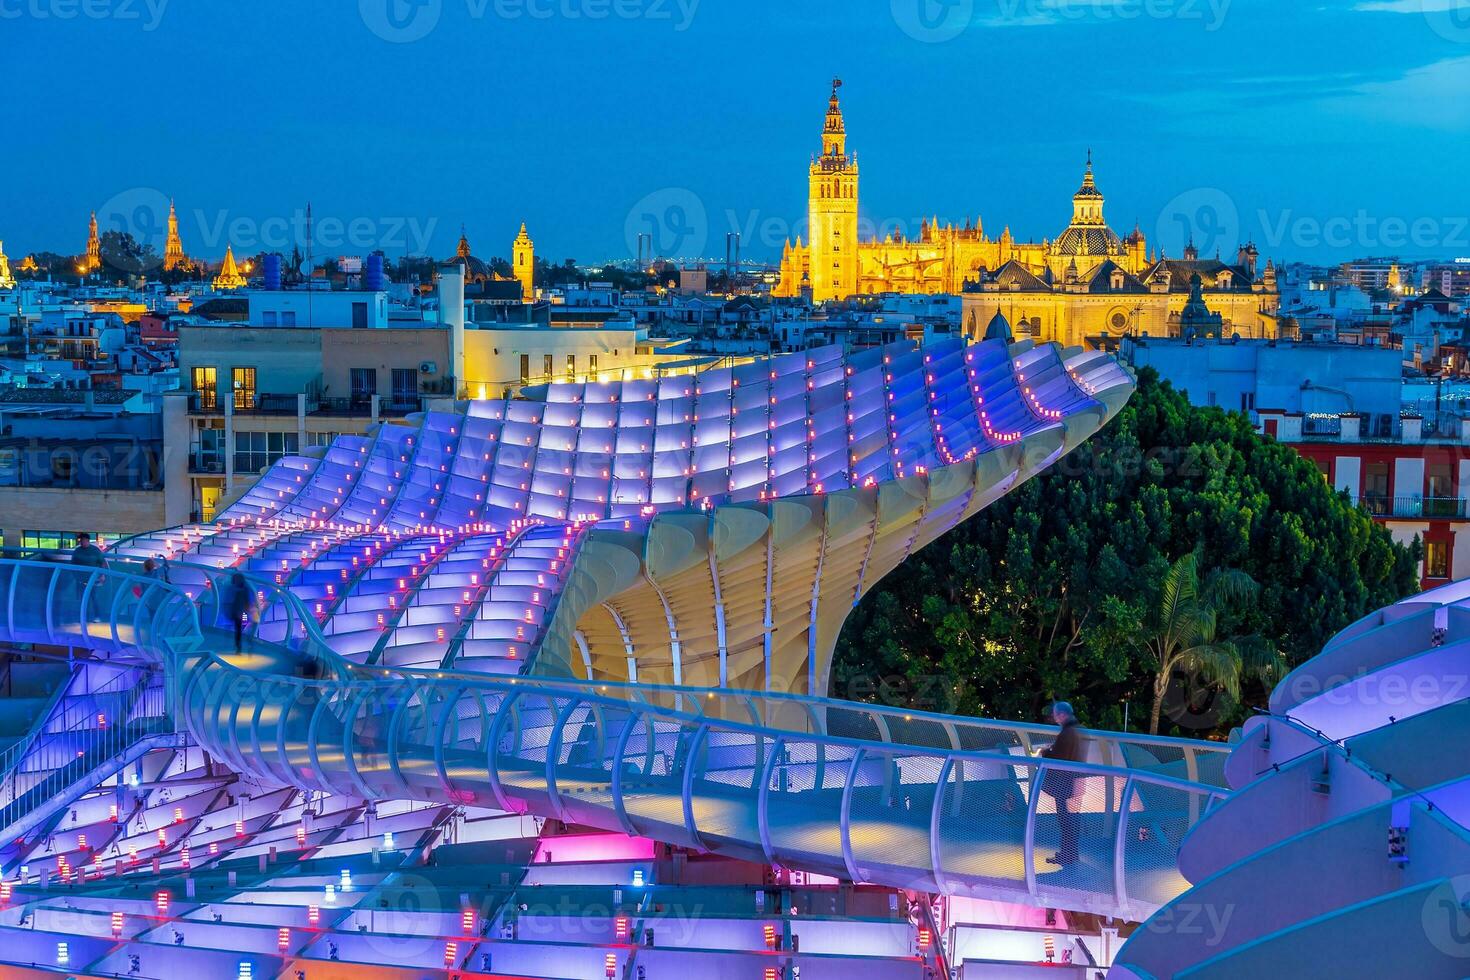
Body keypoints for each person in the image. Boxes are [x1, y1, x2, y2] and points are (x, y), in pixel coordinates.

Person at [1039, 700, 1087, 867]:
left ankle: (1066, 856)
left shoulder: (1066, 733)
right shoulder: (1080, 731)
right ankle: (1072, 854)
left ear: (1062, 715)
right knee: (1073, 821)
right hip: (1077, 783)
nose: (1054, 717)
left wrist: (1045, 752)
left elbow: (1058, 758)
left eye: (1055, 714)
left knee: (1065, 821)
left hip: (1064, 784)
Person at [223, 572, 256, 653]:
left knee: (240, 628)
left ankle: (241, 646)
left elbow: (246, 600)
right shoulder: (235, 589)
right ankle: (240, 646)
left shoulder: (243, 589)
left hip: (240, 611)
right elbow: (230, 600)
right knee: (239, 628)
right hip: (237, 611)